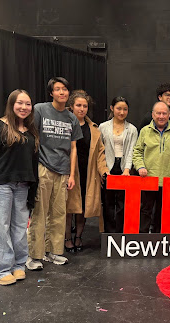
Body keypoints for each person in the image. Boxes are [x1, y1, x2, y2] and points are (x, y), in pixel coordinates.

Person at [0, 89, 39, 285]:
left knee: (20, 229)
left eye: (28, 104)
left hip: (23, 186)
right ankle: (0, 271)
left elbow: (33, 163)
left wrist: (33, 191)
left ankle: (18, 265)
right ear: (11, 104)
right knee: (0, 229)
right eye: (20, 103)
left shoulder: (31, 131)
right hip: (1, 186)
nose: (24, 107)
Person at [27, 77, 83, 270]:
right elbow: (32, 137)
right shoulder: (40, 110)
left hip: (63, 170)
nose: (62, 93)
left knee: (59, 213)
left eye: (65, 89)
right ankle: (34, 255)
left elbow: (74, 147)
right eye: (58, 89)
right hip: (44, 166)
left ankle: (54, 252)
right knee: (40, 212)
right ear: (51, 93)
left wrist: (72, 175)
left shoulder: (72, 118)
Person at [65, 90, 108, 252]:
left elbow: (100, 153)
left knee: (82, 207)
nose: (82, 109)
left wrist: (103, 171)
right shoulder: (65, 125)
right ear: (71, 106)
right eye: (78, 105)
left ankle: (78, 237)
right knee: (69, 207)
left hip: (88, 173)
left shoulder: (94, 129)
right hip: (70, 173)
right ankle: (67, 237)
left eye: (84, 106)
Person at [133, 101, 170, 233]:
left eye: (164, 113)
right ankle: (143, 240)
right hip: (148, 179)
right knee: (145, 211)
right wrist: (140, 167)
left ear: (169, 115)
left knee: (163, 213)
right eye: (158, 113)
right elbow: (137, 152)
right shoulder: (145, 131)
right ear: (152, 114)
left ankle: (158, 240)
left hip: (168, 180)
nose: (161, 116)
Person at [99, 96, 138, 233]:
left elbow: (131, 151)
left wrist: (127, 169)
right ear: (112, 108)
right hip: (108, 167)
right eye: (118, 109)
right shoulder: (103, 127)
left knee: (122, 203)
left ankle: (120, 232)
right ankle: (109, 233)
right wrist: (103, 169)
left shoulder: (132, 129)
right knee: (108, 202)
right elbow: (100, 150)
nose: (122, 112)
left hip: (123, 167)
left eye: (125, 109)